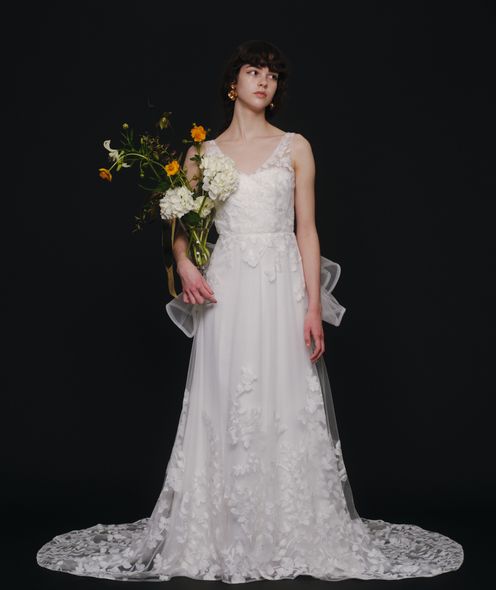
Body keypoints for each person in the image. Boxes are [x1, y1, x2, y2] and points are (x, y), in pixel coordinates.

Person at [36, 39, 464, 583]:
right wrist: (184, 264)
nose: (264, 80)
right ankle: (219, 533)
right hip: (228, 289)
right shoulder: (202, 154)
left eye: (272, 75)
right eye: (253, 71)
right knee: (224, 398)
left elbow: (307, 230)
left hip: (281, 286)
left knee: (284, 398)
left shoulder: (295, 147)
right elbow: (180, 223)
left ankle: (289, 531)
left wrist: (314, 306)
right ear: (232, 83)